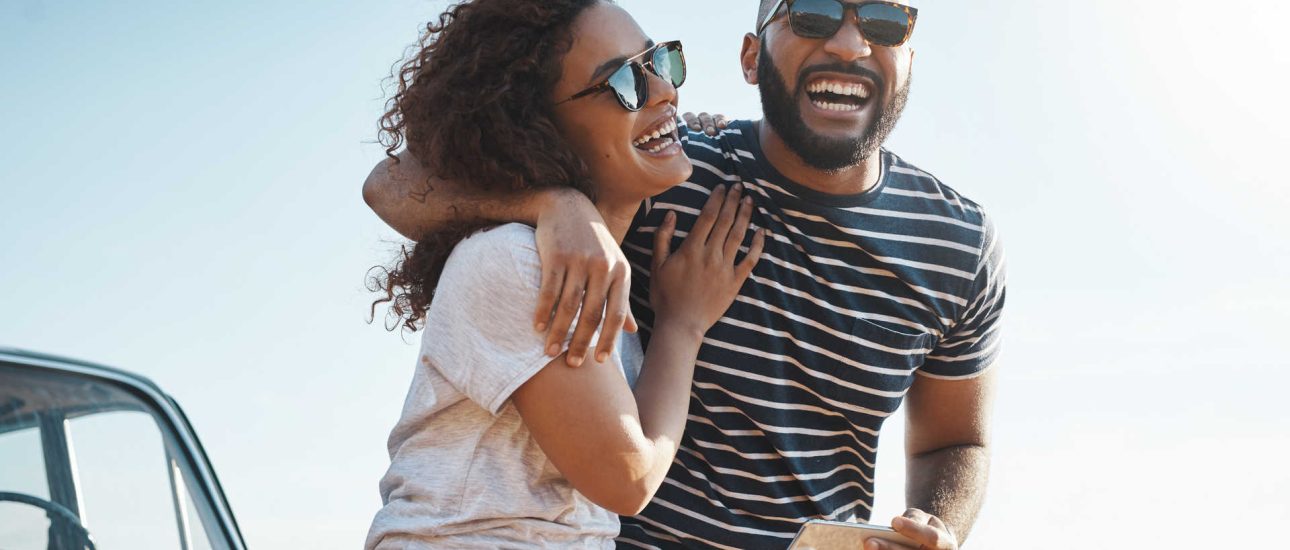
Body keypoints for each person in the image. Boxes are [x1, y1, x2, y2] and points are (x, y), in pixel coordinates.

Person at [364, 1, 1006, 548]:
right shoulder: (653, 172)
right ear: (752, 57)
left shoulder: (961, 244)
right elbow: (393, 182)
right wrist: (553, 204)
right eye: (810, 13)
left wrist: (935, 526)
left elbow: (955, 443)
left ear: (913, 57)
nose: (849, 42)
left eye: (887, 21)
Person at [362, 1, 767, 548]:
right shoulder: (516, 261)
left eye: (660, 62)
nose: (663, 91)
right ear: (538, 127)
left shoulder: (584, 269)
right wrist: (683, 325)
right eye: (624, 82)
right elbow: (629, 479)